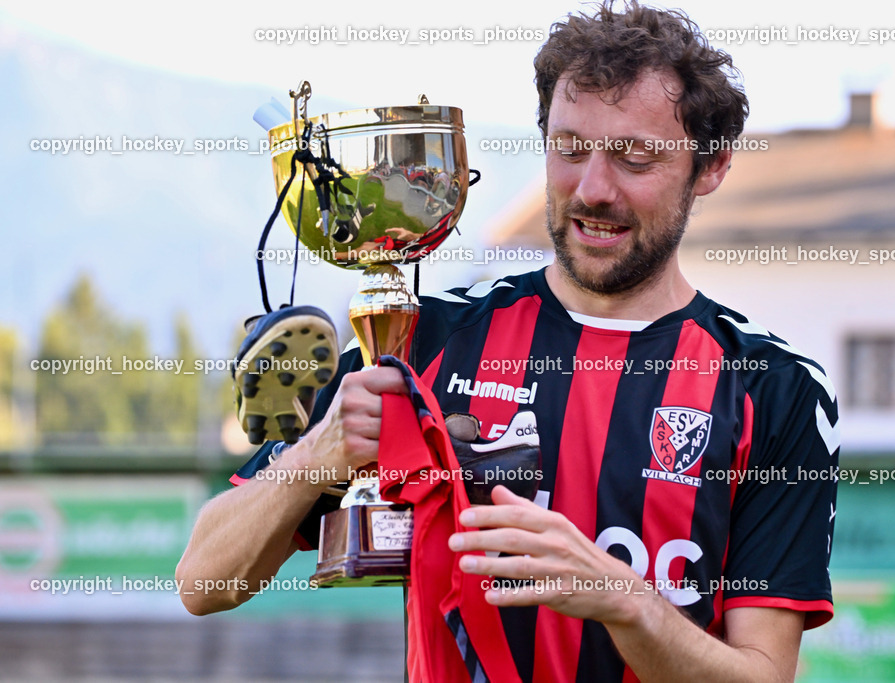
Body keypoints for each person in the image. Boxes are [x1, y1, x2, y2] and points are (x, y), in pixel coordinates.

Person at [177, 2, 840, 681]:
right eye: (571, 148)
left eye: (635, 156)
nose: (593, 187)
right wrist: (321, 451)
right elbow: (203, 580)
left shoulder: (775, 388)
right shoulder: (422, 340)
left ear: (711, 167)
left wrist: (623, 599)